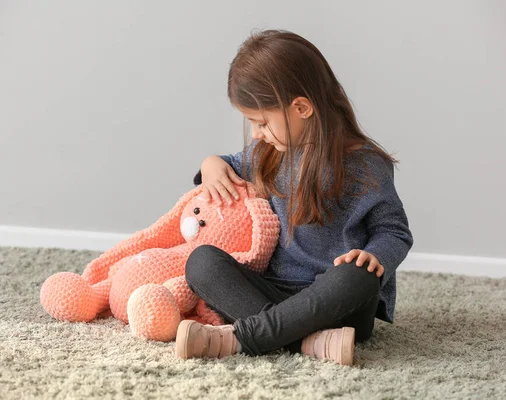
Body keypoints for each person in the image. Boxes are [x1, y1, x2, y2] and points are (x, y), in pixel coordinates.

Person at [174, 29, 413, 366]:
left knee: (358, 275)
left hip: (336, 303)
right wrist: (210, 164)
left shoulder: (367, 165)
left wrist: (375, 256)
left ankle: (247, 337)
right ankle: (309, 342)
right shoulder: (267, 153)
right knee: (201, 261)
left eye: (262, 122)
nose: (257, 133)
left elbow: (395, 231)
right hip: (270, 292)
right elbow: (228, 164)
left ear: (301, 107)